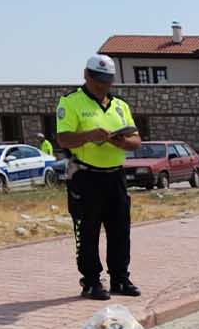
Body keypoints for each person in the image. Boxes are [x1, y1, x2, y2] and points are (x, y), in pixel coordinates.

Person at [55, 54, 143, 301]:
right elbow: (63, 138)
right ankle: (91, 281)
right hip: (86, 177)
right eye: (97, 81)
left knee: (120, 230)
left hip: (115, 176)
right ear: (86, 75)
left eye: (107, 81)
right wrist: (89, 135)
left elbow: (136, 141)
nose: (102, 86)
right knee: (88, 230)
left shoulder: (120, 106)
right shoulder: (71, 102)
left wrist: (121, 141)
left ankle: (120, 278)